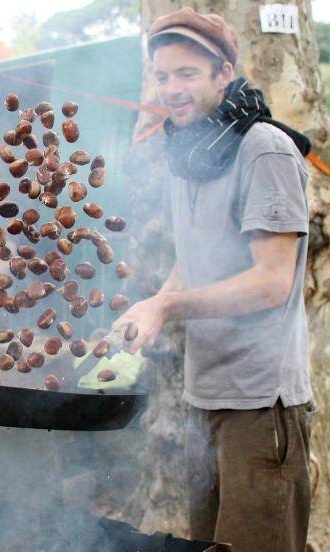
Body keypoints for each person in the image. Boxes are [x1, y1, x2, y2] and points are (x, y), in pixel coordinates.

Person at [112, 8, 313, 550]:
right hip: (206, 397)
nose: (171, 89)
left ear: (224, 74)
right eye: (162, 75)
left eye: (187, 74)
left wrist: (169, 309)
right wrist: (151, 306)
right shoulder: (189, 151)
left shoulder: (263, 148)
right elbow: (192, 257)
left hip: (260, 402)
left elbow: (272, 282)